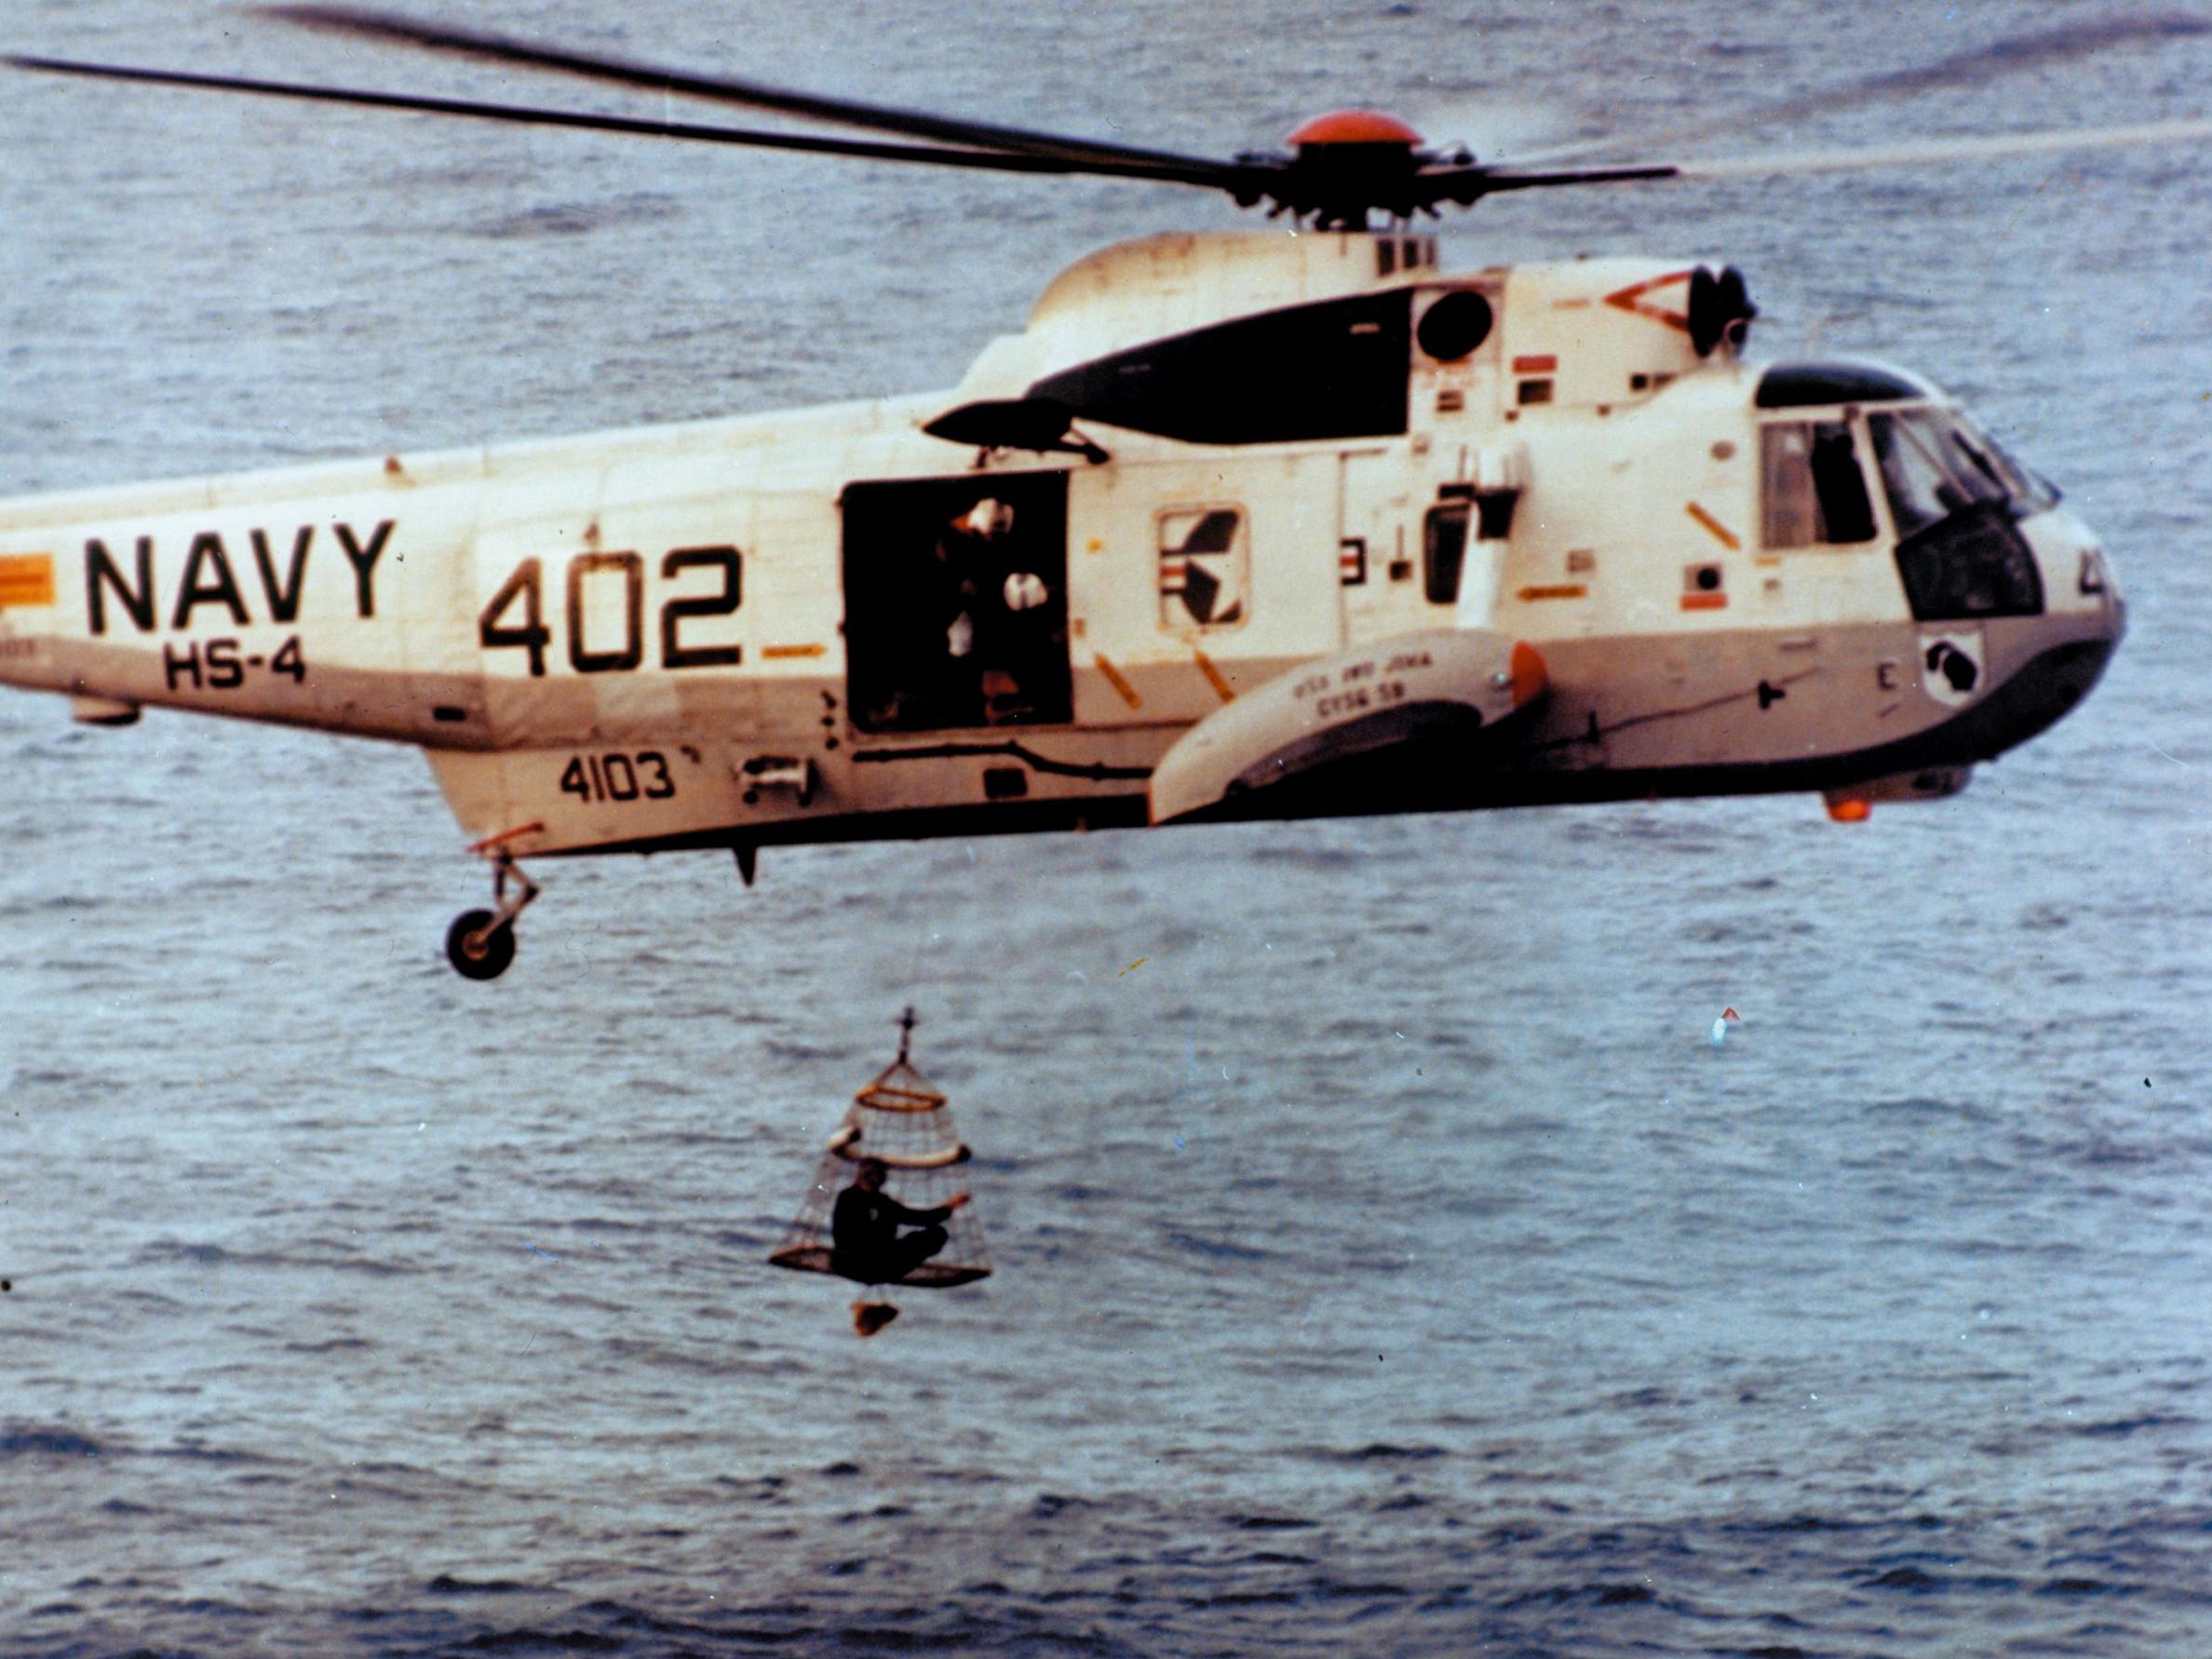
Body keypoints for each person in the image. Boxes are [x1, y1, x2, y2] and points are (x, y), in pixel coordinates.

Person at [830, 1157, 969, 1287]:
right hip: (863, 1263)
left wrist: (950, 1206)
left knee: (936, 1234)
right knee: (934, 1235)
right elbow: (918, 1218)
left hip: (870, 1263)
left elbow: (918, 1218)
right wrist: (950, 1206)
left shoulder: (880, 1202)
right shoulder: (850, 1198)